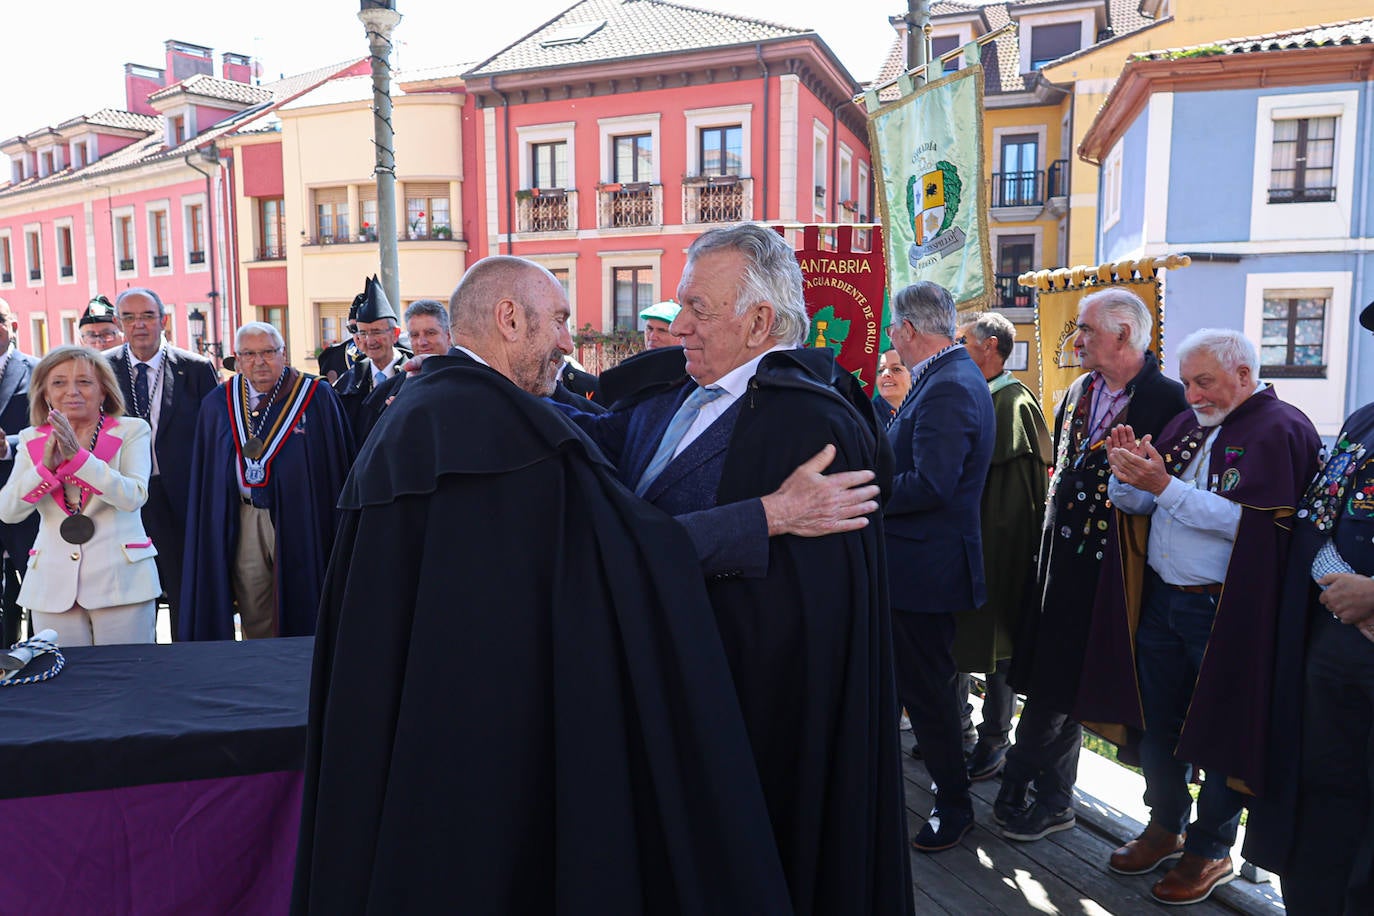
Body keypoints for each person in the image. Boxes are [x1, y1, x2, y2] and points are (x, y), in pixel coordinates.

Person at [293, 255, 793, 914]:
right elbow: (623, 550)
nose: (568, 340)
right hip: (485, 764)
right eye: (557, 320)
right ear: (507, 318)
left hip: (421, 742)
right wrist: (772, 515)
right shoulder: (494, 429)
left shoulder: (432, 408)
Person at [568, 223, 911, 914]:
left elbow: (809, 626)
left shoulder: (814, 426)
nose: (678, 324)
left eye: (699, 308)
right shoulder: (667, 395)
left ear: (759, 322)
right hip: (661, 708)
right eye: (680, 304)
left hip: (744, 727)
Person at [1094, 329, 1319, 904]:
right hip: (1165, 601)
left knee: (1221, 730)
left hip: (1227, 610)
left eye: (1205, 382)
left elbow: (1257, 527)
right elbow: (1150, 505)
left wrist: (1162, 485)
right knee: (1157, 724)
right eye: (1189, 382)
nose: (1192, 395)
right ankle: (1165, 825)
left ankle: (1210, 850)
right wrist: (1127, 479)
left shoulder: (1283, 428)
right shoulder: (1189, 425)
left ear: (1243, 375)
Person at [999, 286, 1187, 842]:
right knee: (1053, 674)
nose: (1075, 340)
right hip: (1060, 559)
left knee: (1069, 683)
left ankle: (1029, 785)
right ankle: (1051, 798)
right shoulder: (1080, 389)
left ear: (1124, 335)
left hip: (1117, 572)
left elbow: (1165, 496)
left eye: (1085, 330)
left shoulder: (1167, 401)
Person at [1246, 301, 1374, 914]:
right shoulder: (1365, 421)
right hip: (1337, 650)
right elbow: (1315, 517)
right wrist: (1344, 588)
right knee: (1325, 797)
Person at [883, 282, 995, 852]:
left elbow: (932, 483)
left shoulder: (949, 384)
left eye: (892, 331)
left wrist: (863, 490)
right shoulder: (949, 375)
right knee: (921, 689)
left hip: (923, 572)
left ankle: (954, 806)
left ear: (908, 330)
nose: (890, 342)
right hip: (919, 566)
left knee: (928, 695)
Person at [179, 323, 353, 641]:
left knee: (304, 596)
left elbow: (335, 467)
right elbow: (209, 472)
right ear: (237, 359)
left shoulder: (316, 396)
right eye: (250, 354)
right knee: (253, 598)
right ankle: (258, 671)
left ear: (283, 354)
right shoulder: (218, 403)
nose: (260, 361)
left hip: (302, 518)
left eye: (268, 352)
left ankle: (304, 674)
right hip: (245, 516)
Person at [0, 346, 159, 646]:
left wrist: (80, 460)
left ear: (103, 392)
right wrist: (44, 470)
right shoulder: (30, 438)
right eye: (58, 382)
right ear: (45, 393)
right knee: (64, 688)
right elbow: (8, 511)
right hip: (51, 588)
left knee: (127, 681)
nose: (71, 391)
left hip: (122, 584)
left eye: (84, 382)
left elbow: (133, 496)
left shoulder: (133, 431)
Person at [955, 312, 1051, 783]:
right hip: (967, 544)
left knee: (997, 646)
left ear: (990, 346)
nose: (957, 349)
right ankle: (960, 734)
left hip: (998, 551)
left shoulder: (1012, 402)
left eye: (964, 342)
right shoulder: (976, 394)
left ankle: (994, 740)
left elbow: (1013, 500)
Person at [107, 288, 220, 640]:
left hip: (181, 495)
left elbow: (213, 436)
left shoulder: (196, 369)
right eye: (129, 317)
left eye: (147, 316)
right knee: (133, 588)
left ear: (163, 320)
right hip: (123, 495)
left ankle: (187, 659)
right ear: (118, 322)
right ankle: (143, 657)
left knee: (183, 582)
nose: (139, 325)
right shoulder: (102, 368)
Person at [352, 299, 453, 442]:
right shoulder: (385, 394)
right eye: (415, 335)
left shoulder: (468, 380)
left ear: (448, 336)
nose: (422, 342)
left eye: (430, 333)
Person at [0, 297, 40, 647]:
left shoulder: (38, 371)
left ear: (13, 325)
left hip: (26, 500)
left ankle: (38, 657)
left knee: (37, 590)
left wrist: (8, 445)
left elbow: (47, 431)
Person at [334, 276, 409, 446]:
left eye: (376, 332)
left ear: (395, 334)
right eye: (363, 333)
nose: (369, 340)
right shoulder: (347, 385)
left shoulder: (414, 375)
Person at [873, 347, 910, 424]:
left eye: (896, 369)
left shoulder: (931, 409)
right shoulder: (863, 417)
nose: (885, 374)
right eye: (881, 370)